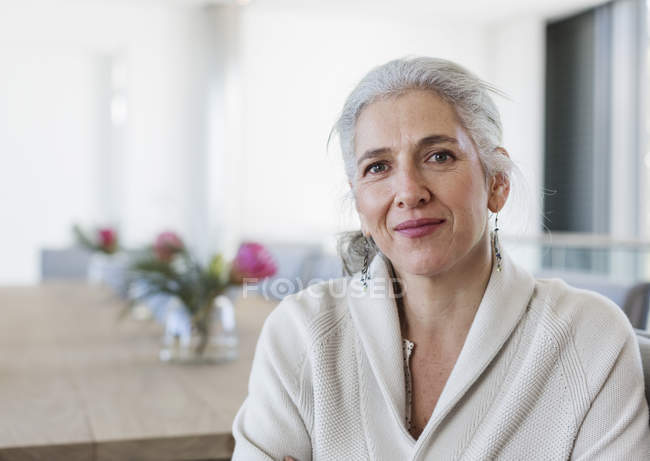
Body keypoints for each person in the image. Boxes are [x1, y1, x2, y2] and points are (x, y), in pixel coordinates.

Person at [231, 57, 650, 460]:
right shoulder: (300, 333)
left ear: (497, 184)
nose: (409, 191)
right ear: (359, 201)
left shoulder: (590, 338)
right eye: (377, 167)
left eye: (439, 157)